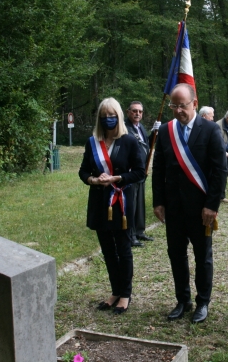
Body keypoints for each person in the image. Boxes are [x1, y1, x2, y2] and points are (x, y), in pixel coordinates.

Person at [152, 84, 228, 324]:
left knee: (202, 255)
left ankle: (202, 301)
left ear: (194, 103)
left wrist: (212, 205)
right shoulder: (166, 131)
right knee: (176, 254)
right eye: (174, 106)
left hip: (201, 208)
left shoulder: (210, 130)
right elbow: (158, 170)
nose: (177, 111)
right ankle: (182, 300)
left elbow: (220, 170)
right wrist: (158, 201)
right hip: (173, 207)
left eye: (182, 105)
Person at [78, 97, 145, 314]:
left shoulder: (129, 141)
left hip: (121, 203)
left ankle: (125, 293)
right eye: (104, 116)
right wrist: (94, 180)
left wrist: (116, 178)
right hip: (99, 203)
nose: (108, 120)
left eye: (112, 116)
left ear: (119, 116)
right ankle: (115, 291)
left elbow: (139, 172)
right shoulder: (92, 142)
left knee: (123, 249)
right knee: (107, 250)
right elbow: (83, 171)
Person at [124, 101, 160, 247]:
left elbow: (147, 144)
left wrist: (153, 133)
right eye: (134, 111)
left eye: (140, 111)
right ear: (128, 112)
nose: (137, 113)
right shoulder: (125, 129)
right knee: (131, 204)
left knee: (139, 204)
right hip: (131, 172)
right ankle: (130, 235)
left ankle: (139, 231)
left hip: (141, 172)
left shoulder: (140, 128)